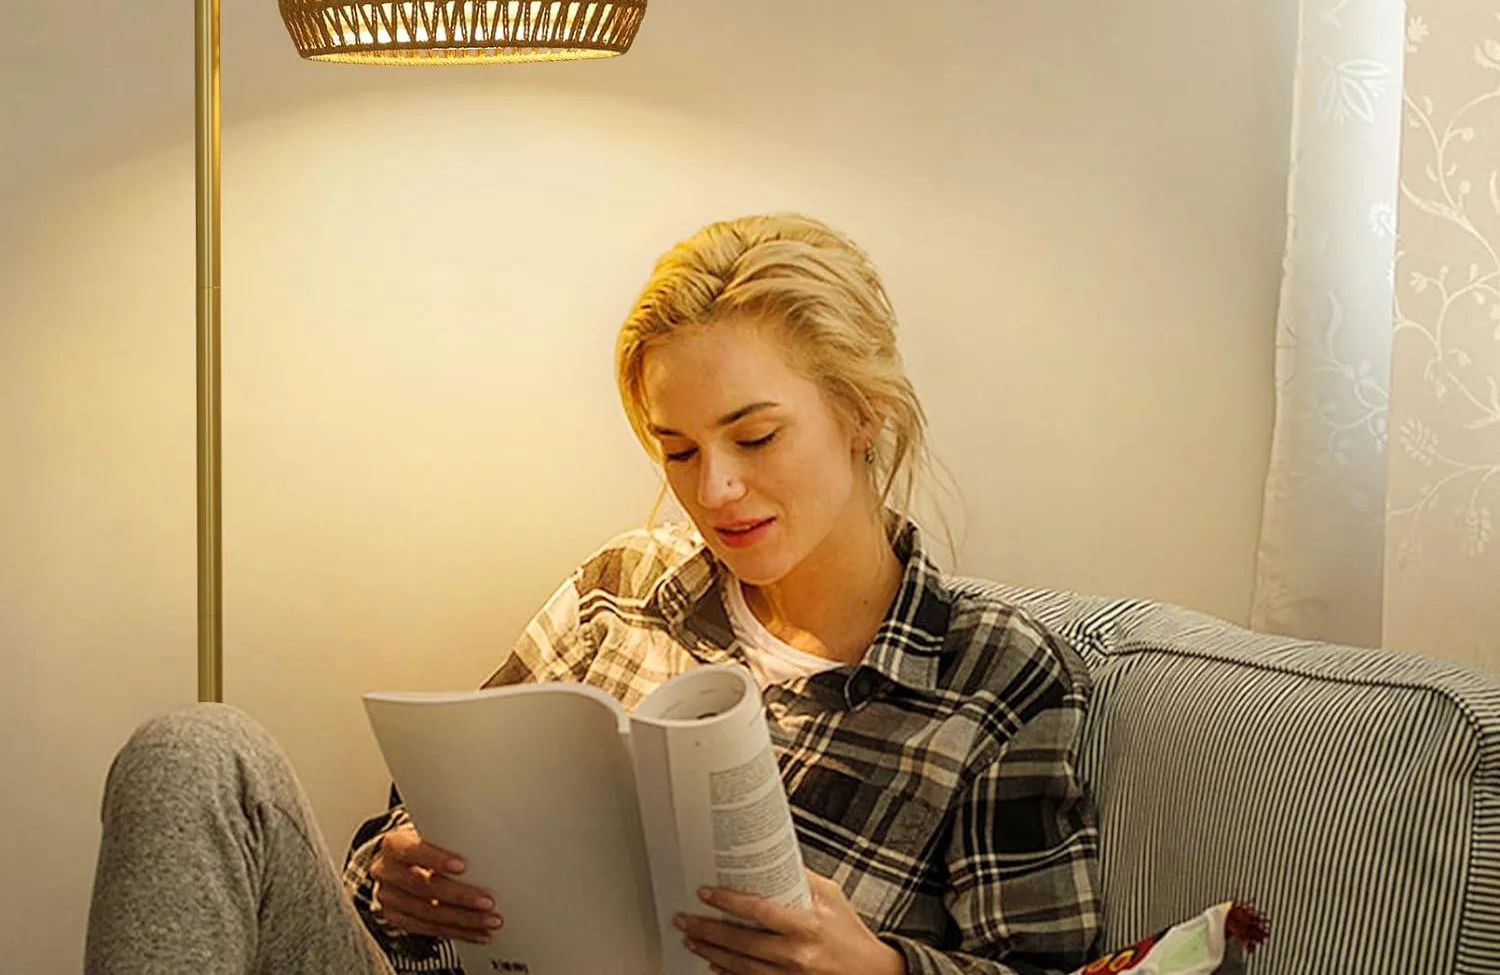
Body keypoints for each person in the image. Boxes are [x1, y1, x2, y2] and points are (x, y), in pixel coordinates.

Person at [84, 213, 1100, 975]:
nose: (716, 490)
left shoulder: (997, 675)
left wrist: (877, 966)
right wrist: (396, 874)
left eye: (754, 437)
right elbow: (397, 854)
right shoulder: (619, 589)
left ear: (862, 414)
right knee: (198, 750)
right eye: (677, 449)